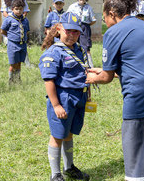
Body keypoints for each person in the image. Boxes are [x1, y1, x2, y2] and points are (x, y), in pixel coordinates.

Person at [86, 0, 144, 181]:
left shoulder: (112, 32)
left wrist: (88, 77)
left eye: (104, 18)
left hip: (141, 92)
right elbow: (136, 62)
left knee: (135, 145)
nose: (105, 23)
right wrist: (103, 71)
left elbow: (106, 77)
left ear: (112, 13)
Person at [39, 12, 90, 181]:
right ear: (59, 29)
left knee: (68, 134)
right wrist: (56, 105)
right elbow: (49, 81)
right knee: (57, 136)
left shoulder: (79, 49)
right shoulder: (54, 52)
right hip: (63, 99)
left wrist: (87, 94)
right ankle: (55, 174)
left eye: (76, 32)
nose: (72, 35)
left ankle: (69, 167)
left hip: (78, 98)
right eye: (69, 31)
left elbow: (83, 73)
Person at [0, 0, 31, 66]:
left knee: (22, 42)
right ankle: (13, 61)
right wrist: (12, 19)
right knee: (12, 45)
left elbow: (25, 10)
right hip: (11, 22)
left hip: (20, 21)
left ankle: (26, 62)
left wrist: (21, 17)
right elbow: (4, 12)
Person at [1, 0, 30, 85]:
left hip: (22, 44)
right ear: (12, 9)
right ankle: (11, 80)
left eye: (20, 9)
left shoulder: (25, 20)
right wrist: (11, 37)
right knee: (13, 63)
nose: (18, 11)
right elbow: (3, 31)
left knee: (19, 62)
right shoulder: (9, 19)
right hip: (13, 44)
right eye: (16, 9)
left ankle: (17, 79)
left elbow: (27, 31)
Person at [67, 0, 96, 67]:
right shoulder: (72, 7)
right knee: (72, 45)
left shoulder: (89, 7)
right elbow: (67, 17)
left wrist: (85, 25)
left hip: (85, 28)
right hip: (74, 27)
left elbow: (93, 20)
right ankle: (73, 64)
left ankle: (89, 66)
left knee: (86, 47)